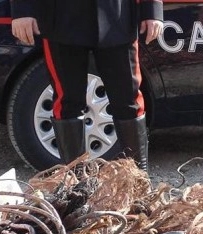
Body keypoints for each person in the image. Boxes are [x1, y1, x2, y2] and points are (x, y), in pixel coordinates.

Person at [10, 0, 163, 172]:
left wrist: (152, 9)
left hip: (117, 16)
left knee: (129, 102)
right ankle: (76, 188)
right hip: (61, 18)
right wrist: (22, 9)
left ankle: (138, 183)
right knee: (68, 104)